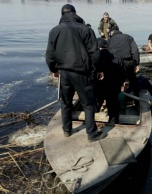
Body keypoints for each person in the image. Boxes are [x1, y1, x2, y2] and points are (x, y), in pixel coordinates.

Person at [45, 4, 107, 142]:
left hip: (64, 73)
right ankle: (92, 134)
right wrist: (98, 69)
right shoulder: (85, 29)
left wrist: (53, 69)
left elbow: (50, 54)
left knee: (66, 102)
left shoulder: (54, 31)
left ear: (62, 15)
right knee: (88, 104)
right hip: (82, 73)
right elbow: (94, 53)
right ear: (75, 13)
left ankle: (67, 130)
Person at [107, 25, 139, 123]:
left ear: (112, 32)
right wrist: (136, 64)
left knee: (114, 87)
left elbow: (106, 52)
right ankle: (136, 101)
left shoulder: (110, 40)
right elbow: (135, 51)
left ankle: (114, 111)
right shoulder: (128, 37)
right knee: (133, 82)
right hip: (128, 63)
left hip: (114, 65)